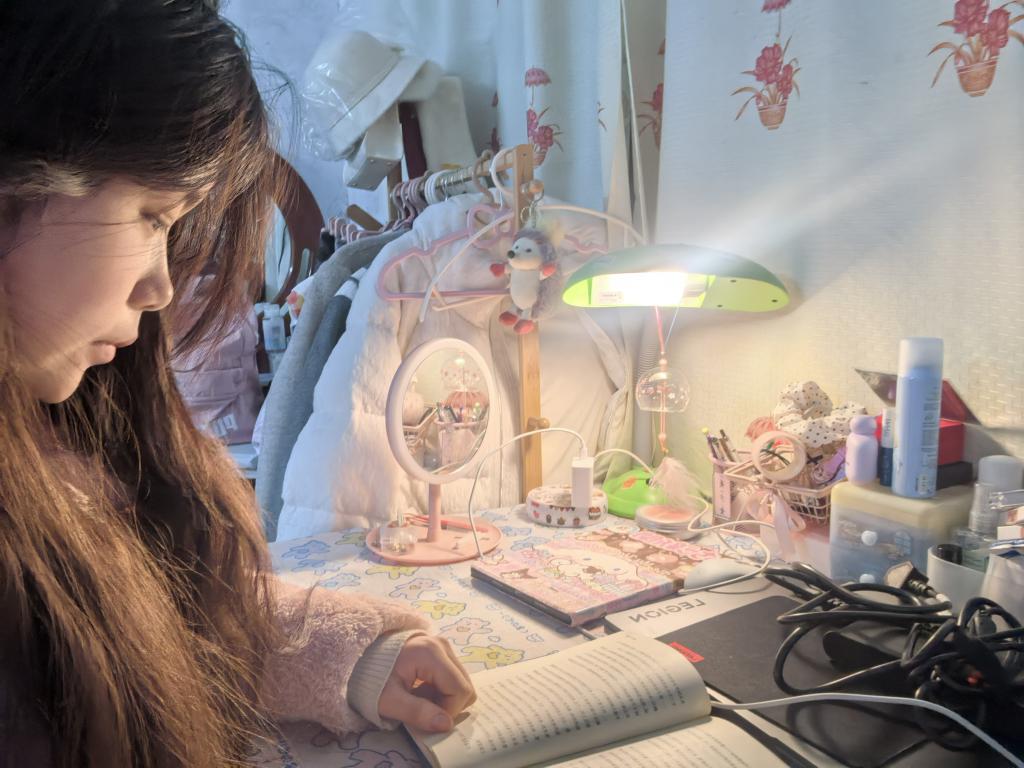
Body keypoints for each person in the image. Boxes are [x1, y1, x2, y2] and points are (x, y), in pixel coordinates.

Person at [0, 2, 474, 766]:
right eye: (153, 215)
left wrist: (353, 657)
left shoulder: (76, 430)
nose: (160, 288)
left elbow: (166, 615)